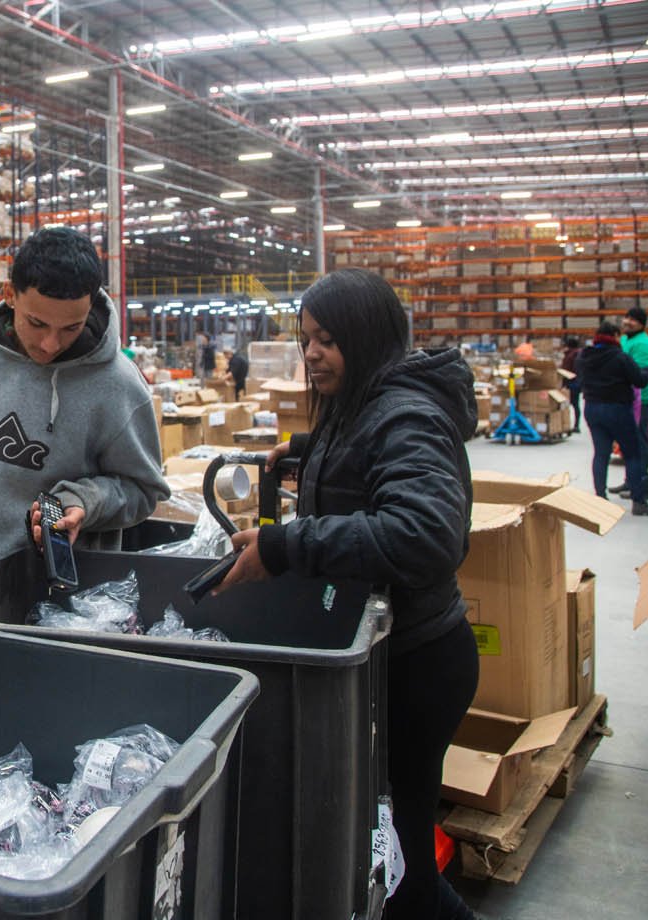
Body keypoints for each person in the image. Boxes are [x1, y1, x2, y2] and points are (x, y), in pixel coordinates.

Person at [218, 268, 479, 920]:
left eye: (326, 340)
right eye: (306, 339)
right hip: (388, 657)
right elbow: (365, 458)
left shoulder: (406, 413)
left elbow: (423, 534)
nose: (310, 354)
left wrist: (285, 546)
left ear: (365, 338)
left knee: (404, 864)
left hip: (418, 665)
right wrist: (307, 452)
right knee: (387, 848)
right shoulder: (365, 400)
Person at [0, 227, 168, 586]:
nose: (49, 344)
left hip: (62, 599)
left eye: (71, 328)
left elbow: (144, 489)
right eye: (37, 323)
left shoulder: (118, 386)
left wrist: (85, 501)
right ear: (9, 294)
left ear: (90, 306)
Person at [578, 321, 648, 512]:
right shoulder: (620, 357)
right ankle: (639, 501)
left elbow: (580, 380)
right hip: (617, 409)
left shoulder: (584, 356)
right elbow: (640, 381)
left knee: (601, 453)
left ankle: (600, 497)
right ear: (615, 336)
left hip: (592, 409)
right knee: (633, 453)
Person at [614, 306, 648, 498]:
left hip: (643, 400)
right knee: (629, 441)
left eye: (633, 319)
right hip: (627, 399)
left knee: (640, 441)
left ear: (641, 324)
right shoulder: (624, 340)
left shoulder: (643, 344)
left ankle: (643, 485)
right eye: (626, 317)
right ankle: (630, 481)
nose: (627, 321)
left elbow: (641, 374)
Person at [560, 334, 582, 434]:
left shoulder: (570, 355)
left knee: (567, 405)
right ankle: (576, 425)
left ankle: (567, 425)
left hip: (570, 383)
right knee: (575, 404)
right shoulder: (579, 353)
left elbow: (566, 369)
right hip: (577, 382)